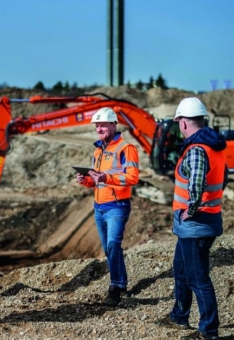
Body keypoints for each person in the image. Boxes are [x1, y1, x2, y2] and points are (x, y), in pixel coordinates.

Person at [156, 97, 228, 340]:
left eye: (179, 122)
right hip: (201, 222)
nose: (178, 127)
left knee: (198, 279)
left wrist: (192, 208)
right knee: (181, 269)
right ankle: (179, 315)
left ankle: (208, 331)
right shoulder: (213, 147)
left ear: (185, 122)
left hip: (196, 224)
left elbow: (196, 182)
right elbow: (223, 178)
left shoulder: (196, 149)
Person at [76, 107, 139, 307]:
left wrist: (106, 177)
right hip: (99, 206)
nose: (99, 129)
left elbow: (133, 177)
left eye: (103, 125)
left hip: (117, 206)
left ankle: (115, 288)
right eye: (97, 126)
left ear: (113, 124)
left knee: (113, 244)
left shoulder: (126, 148)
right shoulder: (98, 151)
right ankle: (122, 283)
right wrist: (85, 180)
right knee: (109, 248)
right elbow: (96, 181)